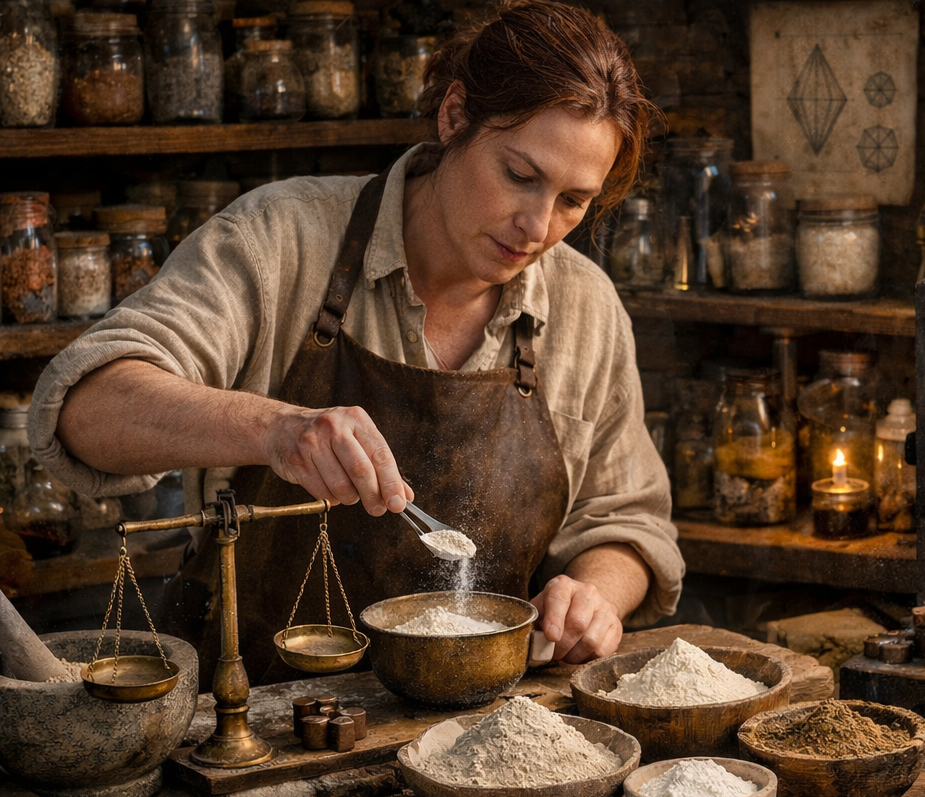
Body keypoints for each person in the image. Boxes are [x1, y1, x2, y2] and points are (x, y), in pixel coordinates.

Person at [27, 0, 682, 681]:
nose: (538, 226)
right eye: (520, 176)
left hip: (477, 711)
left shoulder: (585, 306)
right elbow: (85, 410)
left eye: (574, 201)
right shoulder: (280, 238)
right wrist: (275, 429)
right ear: (455, 115)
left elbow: (628, 521)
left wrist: (596, 594)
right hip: (253, 704)